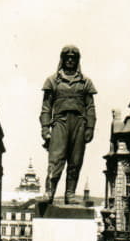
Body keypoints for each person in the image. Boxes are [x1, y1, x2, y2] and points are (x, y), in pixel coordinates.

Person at [40, 45, 97, 204]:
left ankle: (70, 194)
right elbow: (46, 107)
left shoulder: (85, 82)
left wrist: (90, 127)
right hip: (60, 122)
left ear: (77, 60)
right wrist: (45, 127)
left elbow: (90, 107)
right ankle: (49, 193)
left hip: (79, 123)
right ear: (62, 59)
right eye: (67, 57)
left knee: (75, 160)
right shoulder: (53, 81)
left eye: (74, 57)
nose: (70, 60)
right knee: (56, 159)